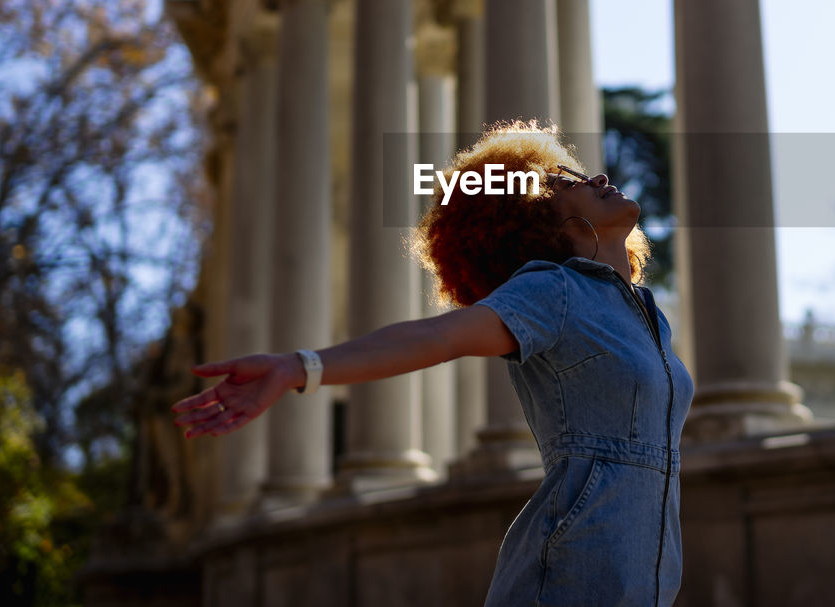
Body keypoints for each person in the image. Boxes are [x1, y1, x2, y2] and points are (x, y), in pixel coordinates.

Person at [172, 120, 694, 606]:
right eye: (565, 181)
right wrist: (299, 367)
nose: (597, 176)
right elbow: (437, 338)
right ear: (535, 216)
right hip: (571, 566)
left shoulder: (649, 316)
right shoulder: (552, 291)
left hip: (647, 573)